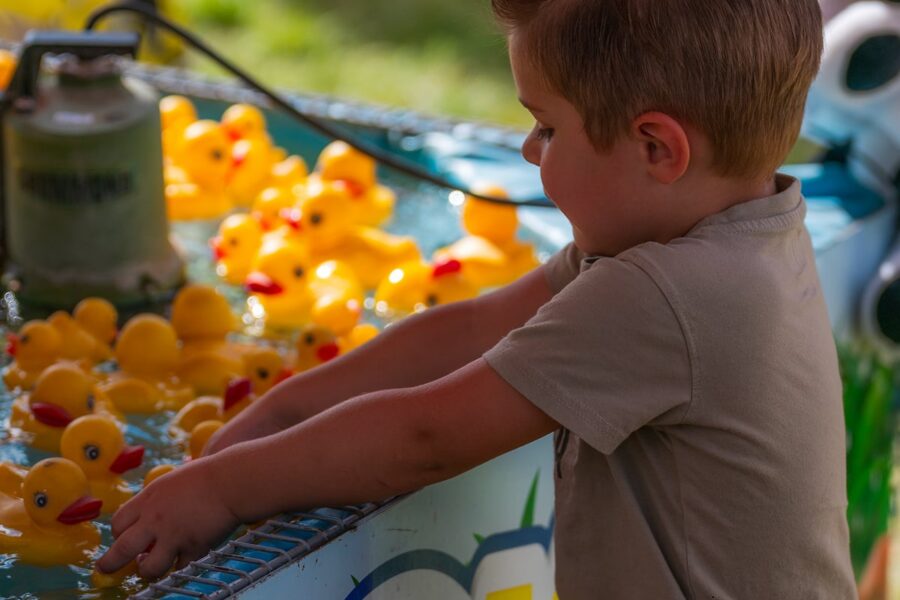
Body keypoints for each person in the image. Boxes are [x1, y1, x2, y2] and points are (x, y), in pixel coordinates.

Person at [99, 0, 856, 596]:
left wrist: (227, 488)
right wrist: (281, 412)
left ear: (656, 148)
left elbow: (425, 438)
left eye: (546, 126)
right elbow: (472, 325)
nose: (530, 151)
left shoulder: (665, 294)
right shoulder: (742, 237)